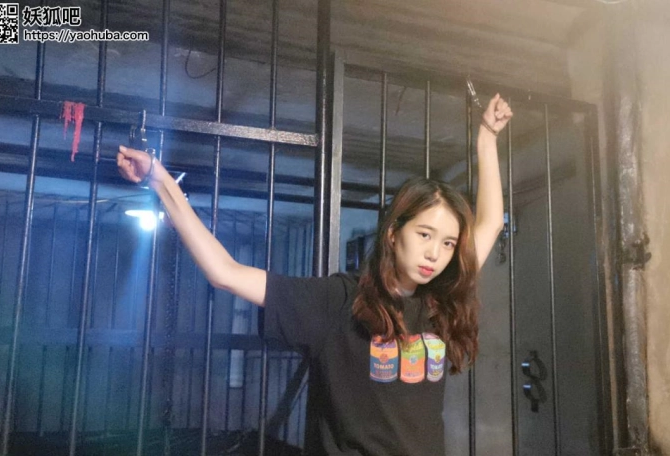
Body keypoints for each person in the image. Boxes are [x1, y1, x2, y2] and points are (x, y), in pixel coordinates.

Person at [117, 94, 512, 456]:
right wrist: (160, 181)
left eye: (448, 243)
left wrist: (487, 135)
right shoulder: (340, 300)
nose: (435, 253)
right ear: (393, 234)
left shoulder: (438, 299)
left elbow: (492, 222)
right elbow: (225, 272)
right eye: (424, 234)